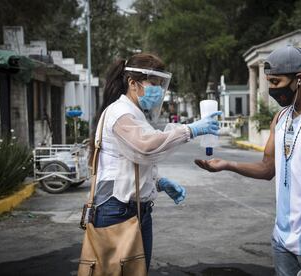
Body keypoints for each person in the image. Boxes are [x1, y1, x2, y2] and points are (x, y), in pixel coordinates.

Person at [195, 46, 301, 275]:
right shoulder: (280, 118)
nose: (272, 89)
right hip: (281, 241)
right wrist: (227, 165)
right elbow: (267, 168)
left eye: (275, 82)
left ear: (299, 79)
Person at [89, 53, 221, 271]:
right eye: (154, 83)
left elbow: (134, 160)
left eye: (161, 84)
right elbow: (146, 146)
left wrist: (158, 182)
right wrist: (190, 129)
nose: (158, 90)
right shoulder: (119, 112)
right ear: (132, 83)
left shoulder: (135, 113)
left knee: (138, 271)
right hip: (115, 209)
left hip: (137, 209)